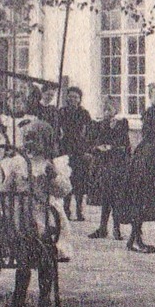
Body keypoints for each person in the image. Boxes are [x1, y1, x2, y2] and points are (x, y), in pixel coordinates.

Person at [3, 119, 72, 307]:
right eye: (26, 139)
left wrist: (53, 177)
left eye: (34, 139)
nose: (29, 143)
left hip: (43, 219)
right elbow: (6, 189)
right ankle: (19, 300)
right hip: (22, 218)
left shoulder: (50, 165)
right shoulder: (17, 163)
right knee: (23, 262)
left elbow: (63, 191)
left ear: (46, 142)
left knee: (44, 259)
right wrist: (8, 212)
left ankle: (44, 301)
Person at [118, 82, 155, 253]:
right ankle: (135, 239)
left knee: (148, 199)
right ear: (150, 97)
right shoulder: (150, 113)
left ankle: (134, 239)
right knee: (141, 197)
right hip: (147, 158)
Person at [86, 104, 133, 240]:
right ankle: (103, 228)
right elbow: (93, 143)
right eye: (104, 109)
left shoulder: (122, 123)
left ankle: (116, 228)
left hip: (118, 165)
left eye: (110, 109)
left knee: (116, 197)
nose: (107, 112)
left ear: (115, 111)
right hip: (104, 165)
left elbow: (125, 145)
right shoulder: (100, 125)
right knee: (106, 197)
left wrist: (111, 147)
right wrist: (98, 148)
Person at [57, 86, 93, 222]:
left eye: (76, 97)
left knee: (79, 181)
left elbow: (89, 133)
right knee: (66, 178)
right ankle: (66, 209)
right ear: (67, 98)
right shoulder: (61, 112)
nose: (73, 99)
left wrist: (86, 150)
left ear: (79, 99)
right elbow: (57, 130)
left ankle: (79, 210)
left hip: (79, 149)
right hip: (65, 148)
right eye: (70, 96)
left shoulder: (84, 113)